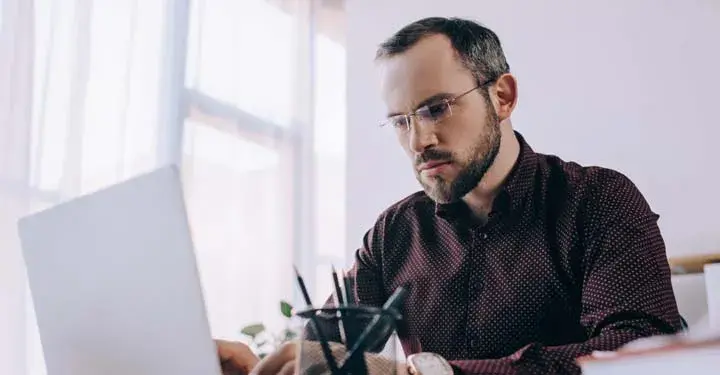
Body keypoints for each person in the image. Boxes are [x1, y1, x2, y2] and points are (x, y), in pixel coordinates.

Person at [217, 17, 682, 374]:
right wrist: (280, 361)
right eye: (401, 121)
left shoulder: (599, 200)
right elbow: (331, 345)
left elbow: (639, 352)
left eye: (435, 108)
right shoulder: (392, 233)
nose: (418, 141)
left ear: (502, 96)